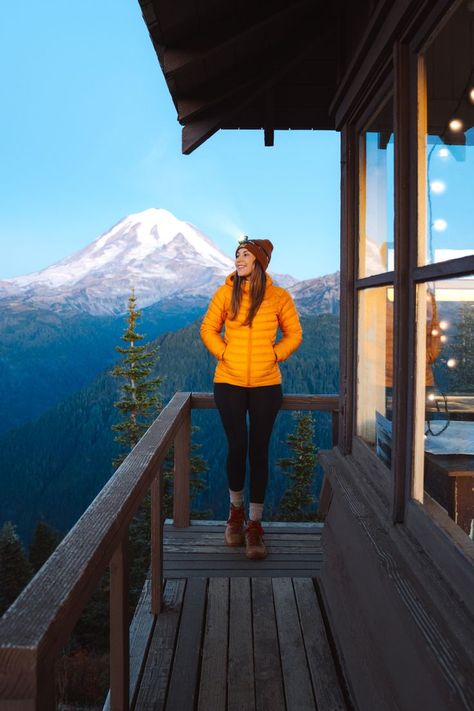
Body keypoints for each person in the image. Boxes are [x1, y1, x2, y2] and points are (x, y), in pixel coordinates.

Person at [200, 236, 303, 559]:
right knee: (238, 445)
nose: (238, 259)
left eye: (245, 255)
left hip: (266, 384)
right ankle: (235, 515)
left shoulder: (278, 297)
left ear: (259, 261)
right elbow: (207, 329)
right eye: (237, 255)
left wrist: (275, 355)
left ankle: (255, 524)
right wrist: (224, 353)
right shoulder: (224, 293)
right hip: (228, 382)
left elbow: (294, 333)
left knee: (259, 450)